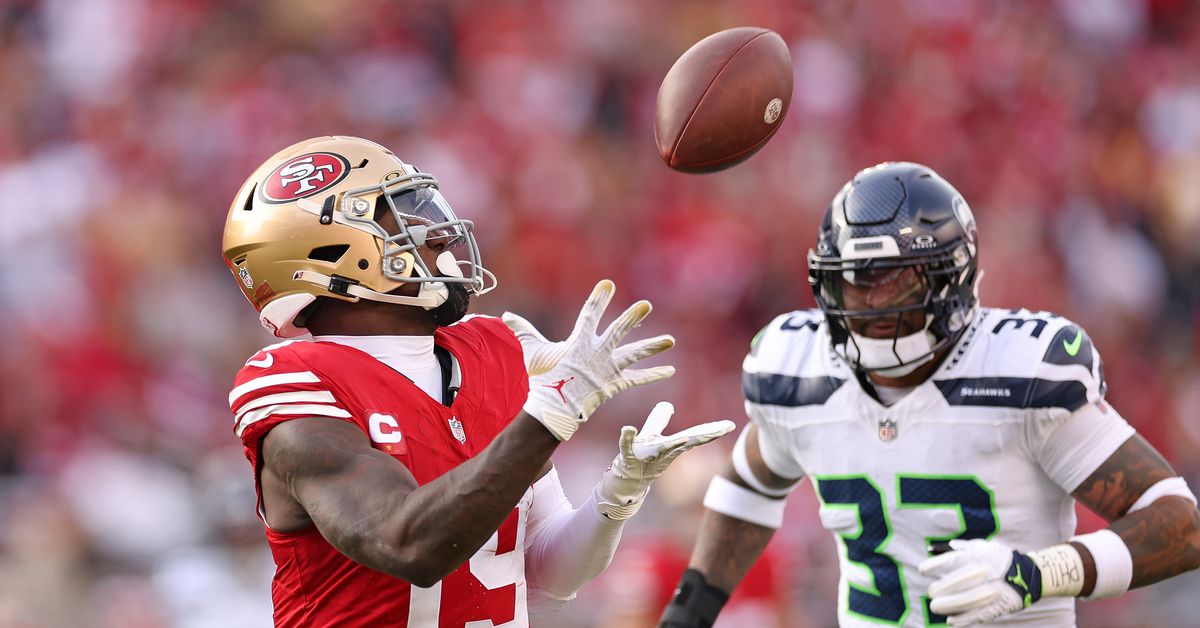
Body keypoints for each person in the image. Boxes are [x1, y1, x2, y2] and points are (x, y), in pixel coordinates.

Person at [221, 135, 734, 626]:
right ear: (334, 253)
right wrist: (550, 415)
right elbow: (408, 545)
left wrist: (616, 495)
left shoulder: (487, 353)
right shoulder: (297, 384)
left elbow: (549, 573)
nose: (438, 233)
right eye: (401, 217)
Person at [659, 162, 1200, 627]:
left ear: (951, 279)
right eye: (856, 280)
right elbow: (748, 487)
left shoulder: (1021, 374)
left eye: (898, 279)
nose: (875, 303)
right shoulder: (798, 371)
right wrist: (687, 614)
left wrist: (1038, 573)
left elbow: (1180, 524)